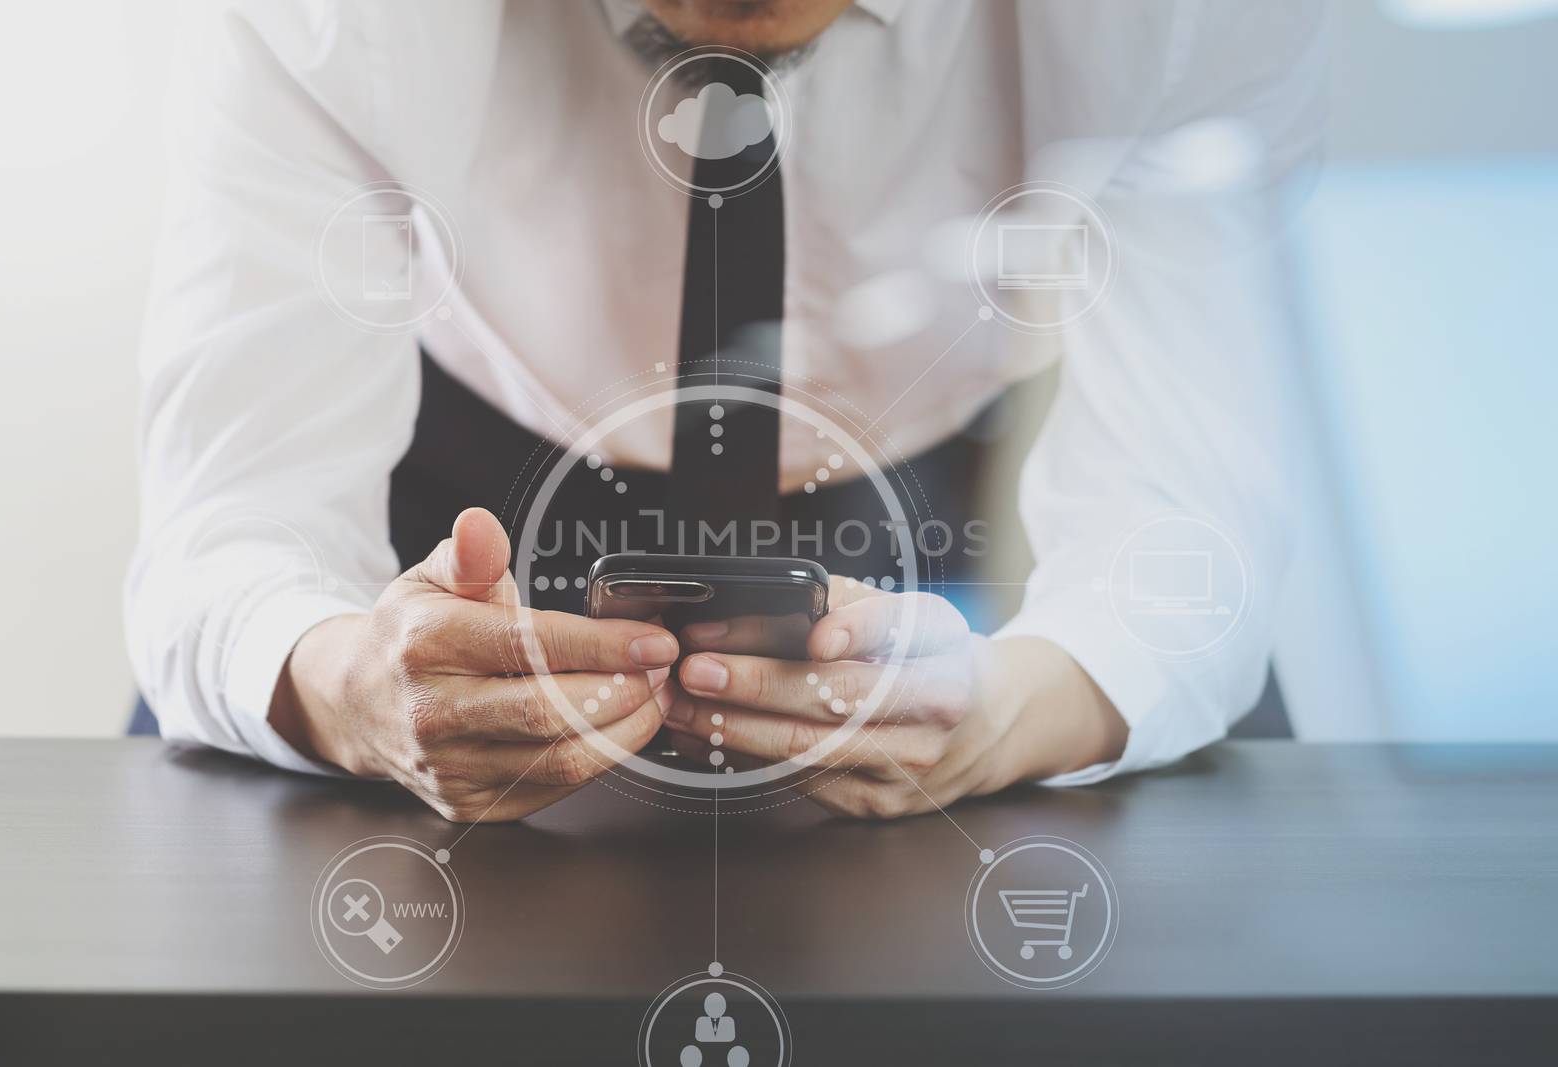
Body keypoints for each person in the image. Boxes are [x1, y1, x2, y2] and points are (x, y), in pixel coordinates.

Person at [126, 0, 1325, 820]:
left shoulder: (1197, 19)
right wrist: (346, 682)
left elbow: (1190, 517)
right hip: (461, 505)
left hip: (903, 528)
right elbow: (233, 523)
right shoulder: (324, 22)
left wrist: (1009, 713)